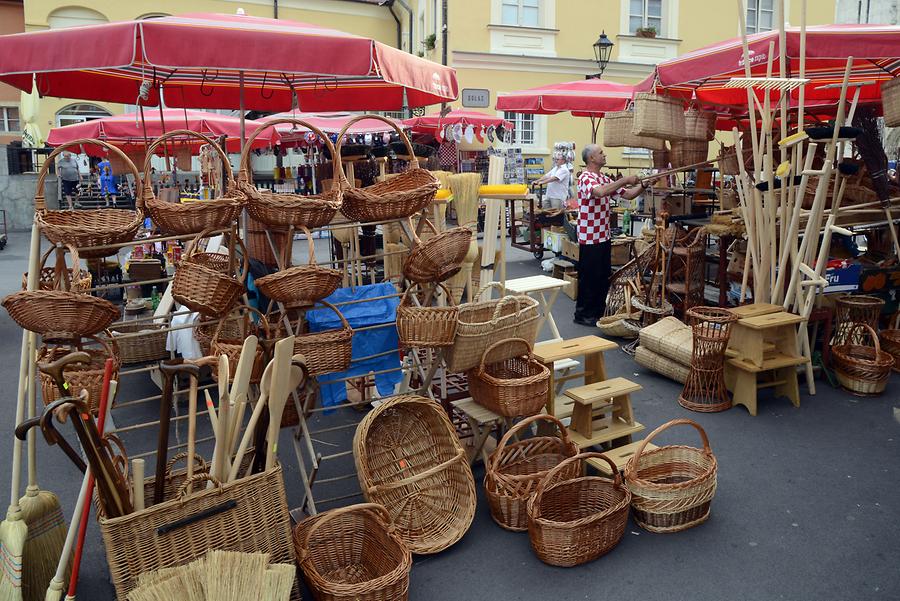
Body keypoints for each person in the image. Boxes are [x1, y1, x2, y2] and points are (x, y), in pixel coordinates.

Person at [573, 144, 650, 327]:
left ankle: (598, 311)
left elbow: (629, 195)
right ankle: (583, 314)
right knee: (589, 276)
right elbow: (600, 192)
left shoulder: (603, 177)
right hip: (589, 236)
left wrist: (643, 185)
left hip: (603, 235)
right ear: (591, 158)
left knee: (602, 275)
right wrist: (624, 180)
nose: (604, 155)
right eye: (601, 153)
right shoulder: (585, 177)